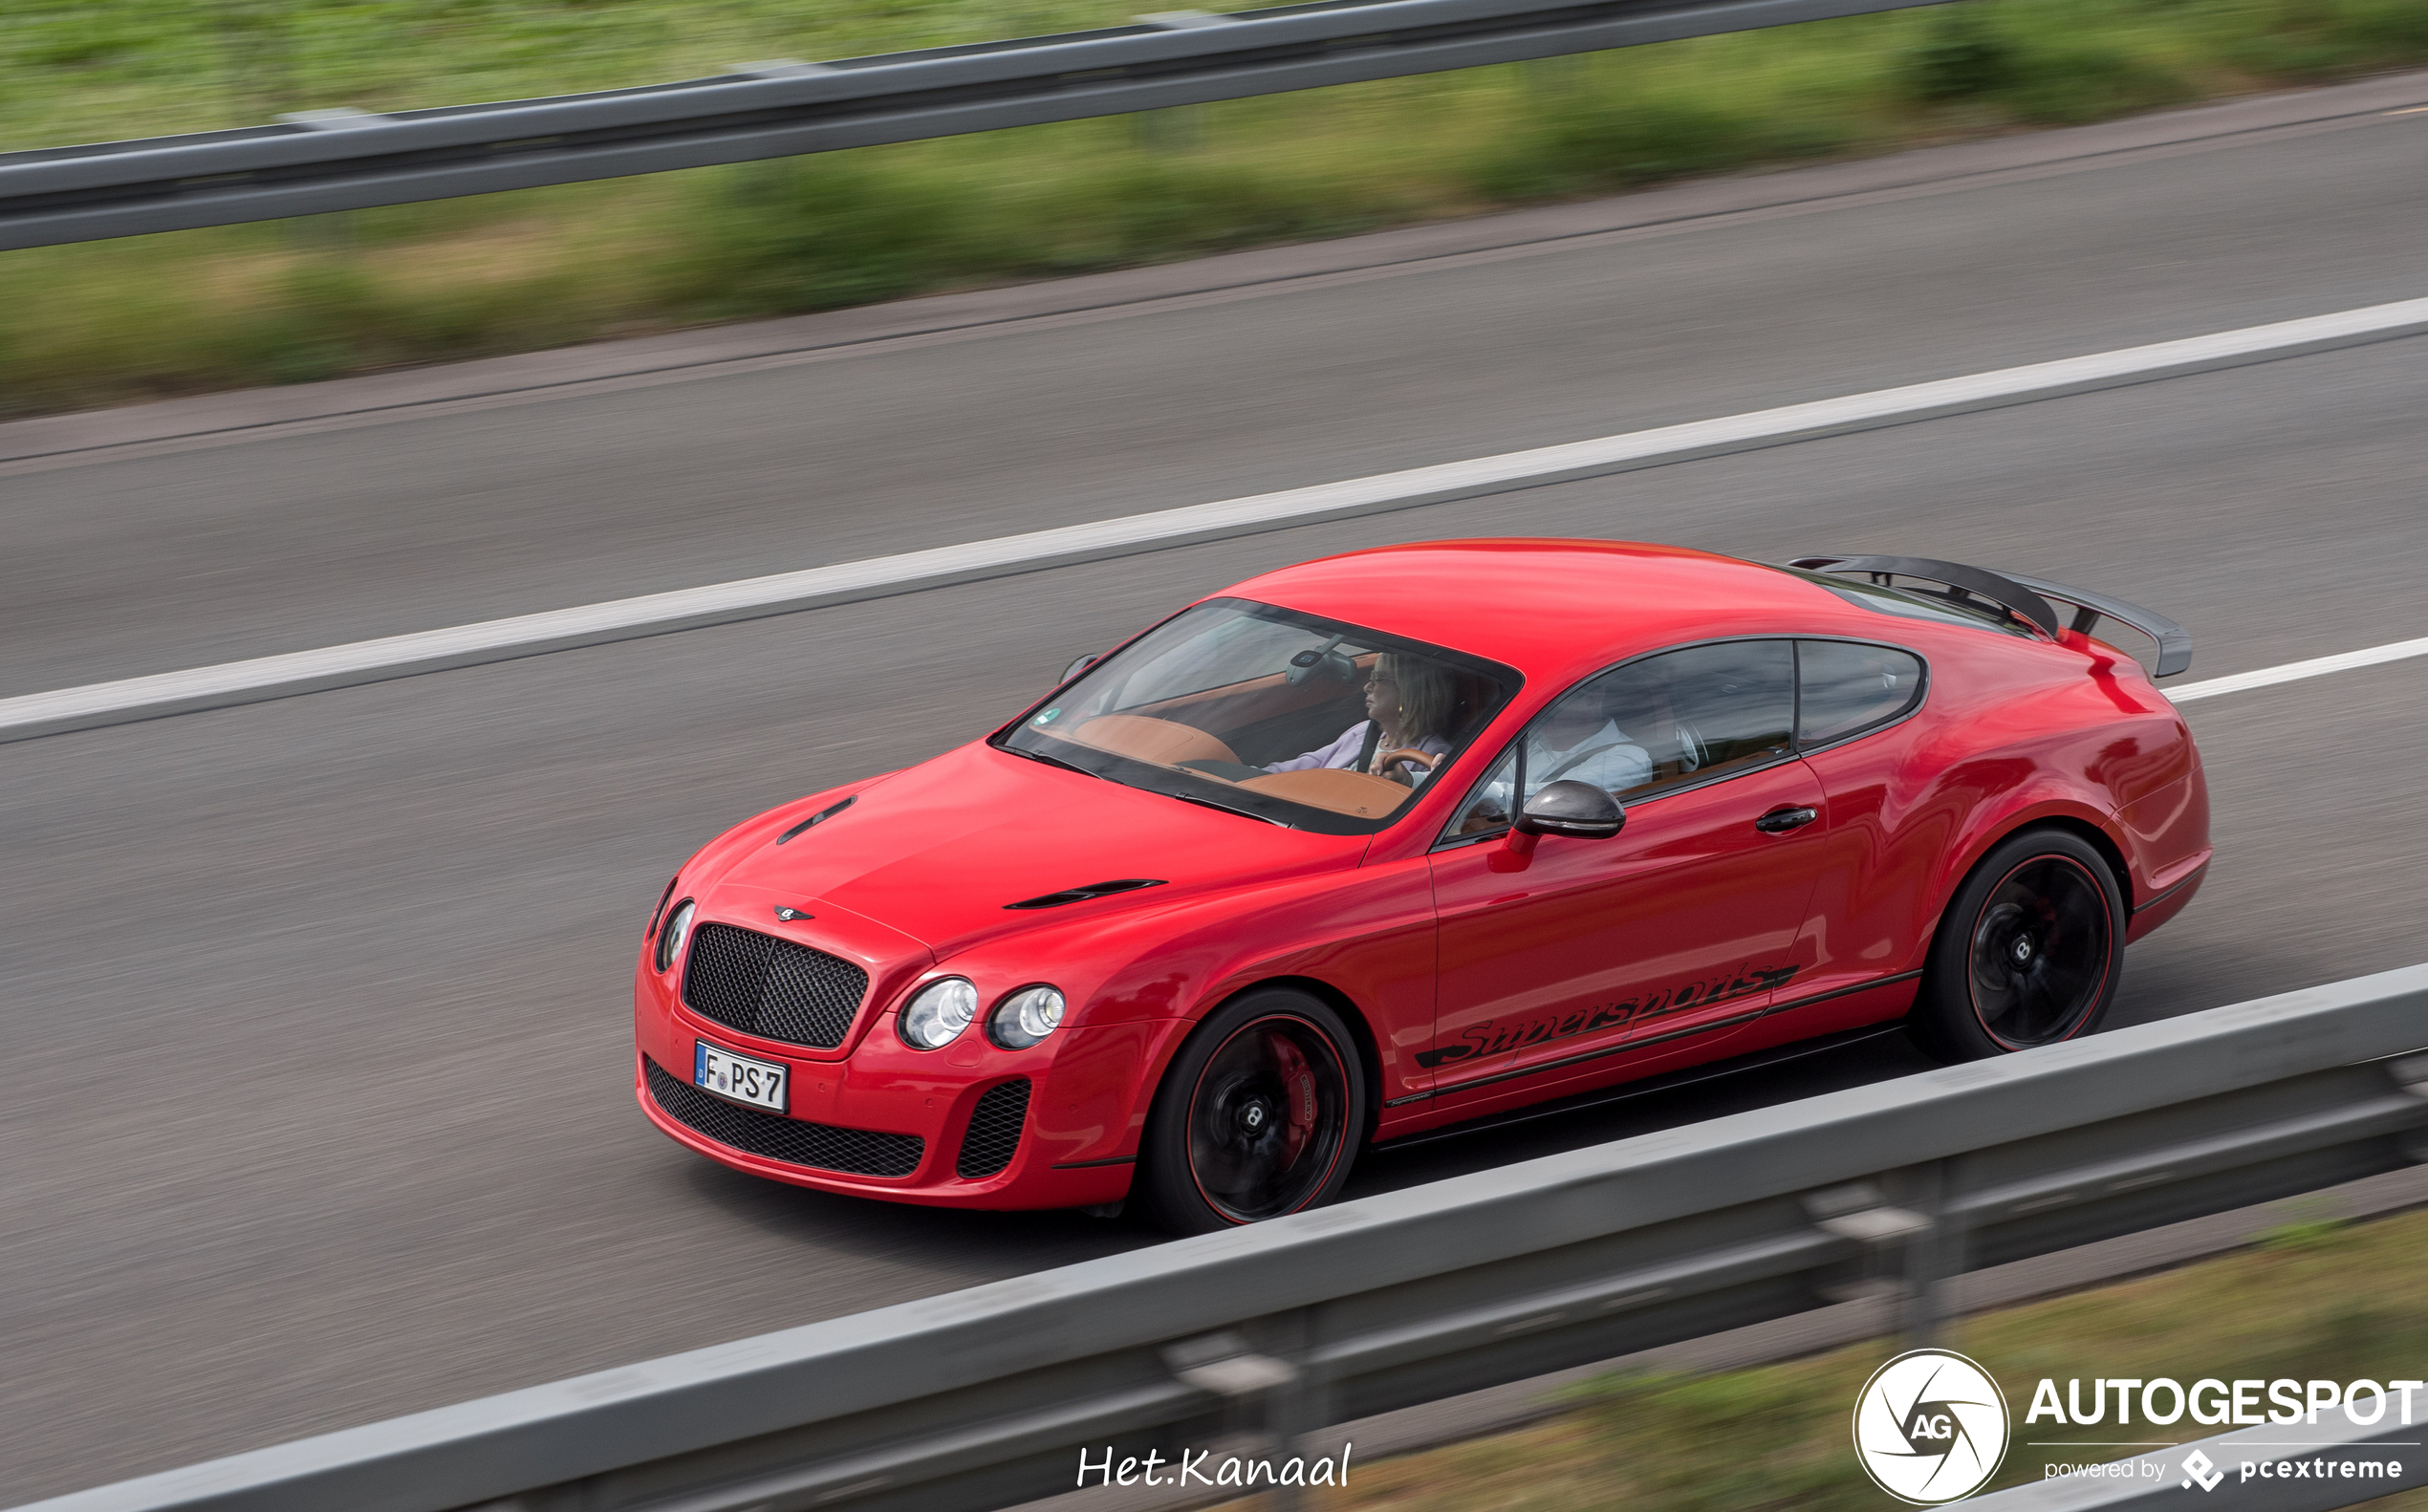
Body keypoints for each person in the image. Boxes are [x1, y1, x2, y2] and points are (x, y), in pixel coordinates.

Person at [1265, 653, 1457, 785]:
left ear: (1409, 691)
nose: (1367, 687)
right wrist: (1252, 775)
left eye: (1378, 679)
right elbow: (1306, 765)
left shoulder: (1436, 754)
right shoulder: (1364, 731)